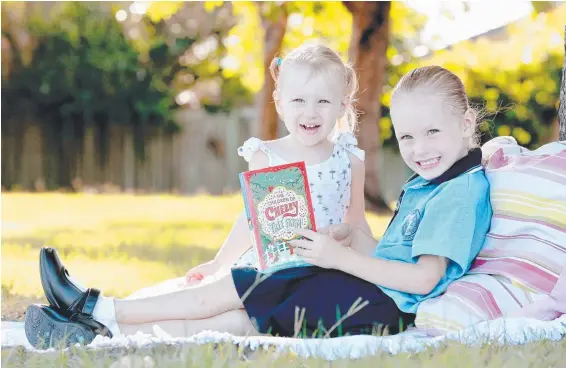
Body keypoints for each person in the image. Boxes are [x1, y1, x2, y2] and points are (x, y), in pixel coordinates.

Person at [26, 63, 492, 349]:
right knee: (236, 313)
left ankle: (99, 308)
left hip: (378, 306)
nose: (418, 148)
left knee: (235, 294)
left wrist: (340, 258)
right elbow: (393, 256)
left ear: (466, 121)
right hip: (368, 292)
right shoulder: (433, 183)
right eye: (407, 136)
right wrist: (351, 240)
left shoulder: (458, 191)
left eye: (432, 132)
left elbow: (425, 278)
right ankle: (95, 331)